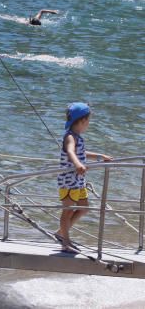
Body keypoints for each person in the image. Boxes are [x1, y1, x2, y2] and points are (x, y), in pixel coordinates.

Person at [55, 102, 112, 254]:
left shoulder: (78, 137)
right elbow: (70, 152)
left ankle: (61, 232)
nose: (88, 124)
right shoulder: (69, 137)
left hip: (78, 181)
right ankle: (65, 242)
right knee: (67, 211)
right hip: (68, 180)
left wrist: (100, 156)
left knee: (84, 207)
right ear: (81, 121)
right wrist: (78, 164)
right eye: (88, 121)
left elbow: (82, 152)